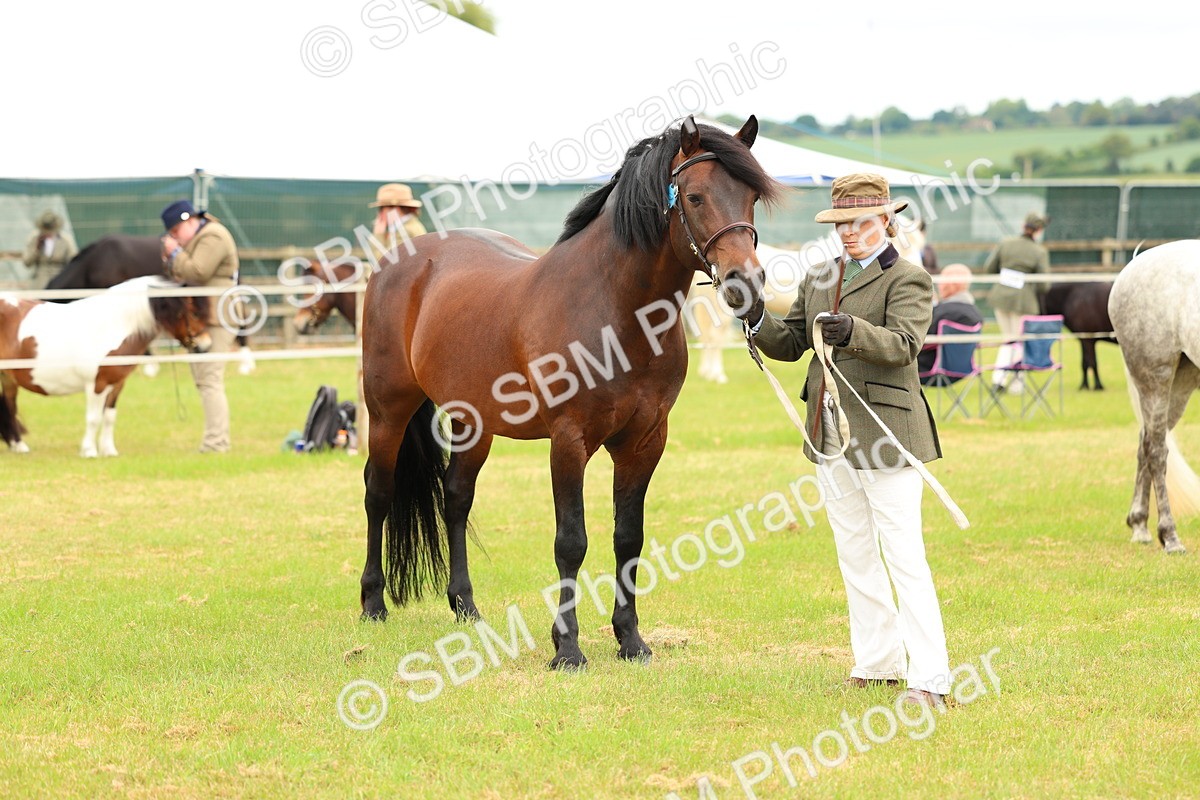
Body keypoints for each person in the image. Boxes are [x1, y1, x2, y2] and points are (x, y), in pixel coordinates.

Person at [740, 173, 951, 708]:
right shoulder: (818, 275)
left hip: (887, 431)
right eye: (841, 224)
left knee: (904, 554)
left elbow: (905, 345)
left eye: (860, 223)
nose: (849, 234)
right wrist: (754, 312)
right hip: (829, 429)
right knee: (854, 551)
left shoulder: (908, 277)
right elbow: (790, 343)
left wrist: (851, 332)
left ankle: (930, 679)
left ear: (886, 221)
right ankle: (878, 662)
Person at [160, 199, 239, 453]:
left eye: (176, 232)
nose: (176, 239)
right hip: (202, 319)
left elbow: (198, 271)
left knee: (210, 379)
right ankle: (215, 441)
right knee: (204, 380)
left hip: (217, 317)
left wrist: (175, 253)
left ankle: (216, 444)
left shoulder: (213, 236)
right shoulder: (201, 236)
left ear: (189, 221)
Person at [984, 212, 1049, 394]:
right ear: (1038, 230)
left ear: (1023, 226)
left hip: (1001, 298)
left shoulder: (1005, 243)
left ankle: (1002, 379)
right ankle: (1011, 381)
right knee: (1017, 341)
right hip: (1024, 302)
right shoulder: (1039, 251)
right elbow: (1044, 284)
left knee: (1009, 339)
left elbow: (990, 268)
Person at [917, 263, 983, 379]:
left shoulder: (943, 312)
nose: (939, 286)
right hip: (963, 370)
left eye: (941, 281)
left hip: (928, 368)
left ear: (951, 284)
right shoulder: (976, 314)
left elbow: (919, 339)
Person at [23, 210, 78, 287]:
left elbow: (73, 261)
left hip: (59, 278)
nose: (47, 232)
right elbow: (27, 262)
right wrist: (37, 249)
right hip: (39, 280)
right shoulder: (34, 238)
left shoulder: (65, 240)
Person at [370, 183, 427, 256]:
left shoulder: (404, 231)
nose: (380, 214)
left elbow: (384, 262)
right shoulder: (409, 227)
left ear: (395, 209)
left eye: (382, 209)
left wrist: (378, 235)